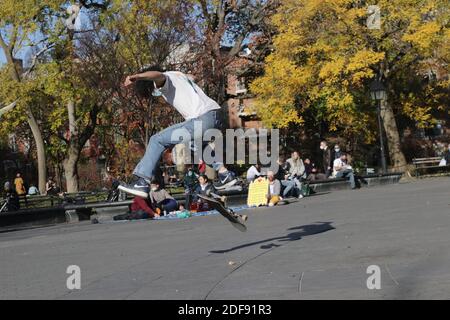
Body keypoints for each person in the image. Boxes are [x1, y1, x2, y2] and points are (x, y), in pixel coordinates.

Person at [118, 67, 222, 198]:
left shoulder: (163, 79)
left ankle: (143, 181)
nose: (156, 92)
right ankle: (225, 174)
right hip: (216, 115)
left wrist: (137, 76)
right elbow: (193, 77)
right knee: (199, 145)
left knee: (156, 140)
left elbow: (158, 75)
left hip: (201, 119)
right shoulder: (178, 74)